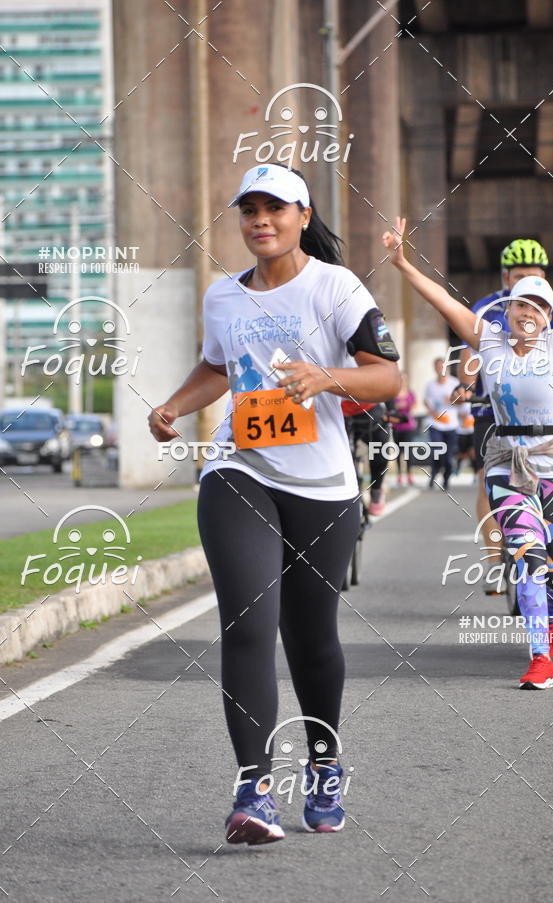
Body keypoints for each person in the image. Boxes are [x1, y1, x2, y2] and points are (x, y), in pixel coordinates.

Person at [149, 164, 400, 844]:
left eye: (275, 208)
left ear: (302, 214)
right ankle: (254, 792)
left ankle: (323, 763)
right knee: (248, 624)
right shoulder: (223, 297)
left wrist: (327, 377)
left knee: (312, 640)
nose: (260, 220)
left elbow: (387, 376)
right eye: (249, 209)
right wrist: (174, 405)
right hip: (240, 469)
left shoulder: (335, 287)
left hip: (323, 486)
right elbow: (218, 367)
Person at [384, 216, 553, 690]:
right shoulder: (489, 340)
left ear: (549, 313)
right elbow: (442, 300)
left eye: (538, 305)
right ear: (508, 307)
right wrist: (402, 263)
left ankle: (550, 622)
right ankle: (540, 657)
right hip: (507, 462)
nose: (529, 312)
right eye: (521, 303)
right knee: (528, 558)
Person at [458, 240, 553, 593]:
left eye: (534, 276)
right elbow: (469, 354)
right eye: (519, 276)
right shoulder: (486, 308)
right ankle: (495, 561)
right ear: (506, 277)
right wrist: (467, 384)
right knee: (486, 479)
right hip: (492, 410)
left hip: (541, 413)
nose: (526, 282)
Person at [341, 398, 390, 514]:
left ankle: (376, 490)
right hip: (341, 413)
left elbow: (389, 388)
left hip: (370, 410)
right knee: (344, 459)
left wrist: (392, 409)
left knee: (381, 449)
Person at [423, 357, 459, 490]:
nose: (440, 369)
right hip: (435, 424)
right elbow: (426, 400)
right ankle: (433, 475)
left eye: (442, 367)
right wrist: (431, 410)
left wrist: (452, 399)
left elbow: (462, 402)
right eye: (438, 367)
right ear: (434, 368)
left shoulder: (454, 383)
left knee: (448, 456)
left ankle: (446, 479)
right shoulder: (430, 385)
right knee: (437, 452)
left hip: (451, 425)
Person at [386, 370, 417, 486]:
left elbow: (415, 405)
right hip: (396, 426)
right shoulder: (394, 394)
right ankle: (399, 475)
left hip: (408, 426)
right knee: (398, 451)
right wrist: (397, 406)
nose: (403, 381)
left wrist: (407, 405)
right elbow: (389, 407)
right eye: (401, 378)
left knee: (408, 451)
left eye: (405, 379)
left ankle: (409, 474)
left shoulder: (410, 393)